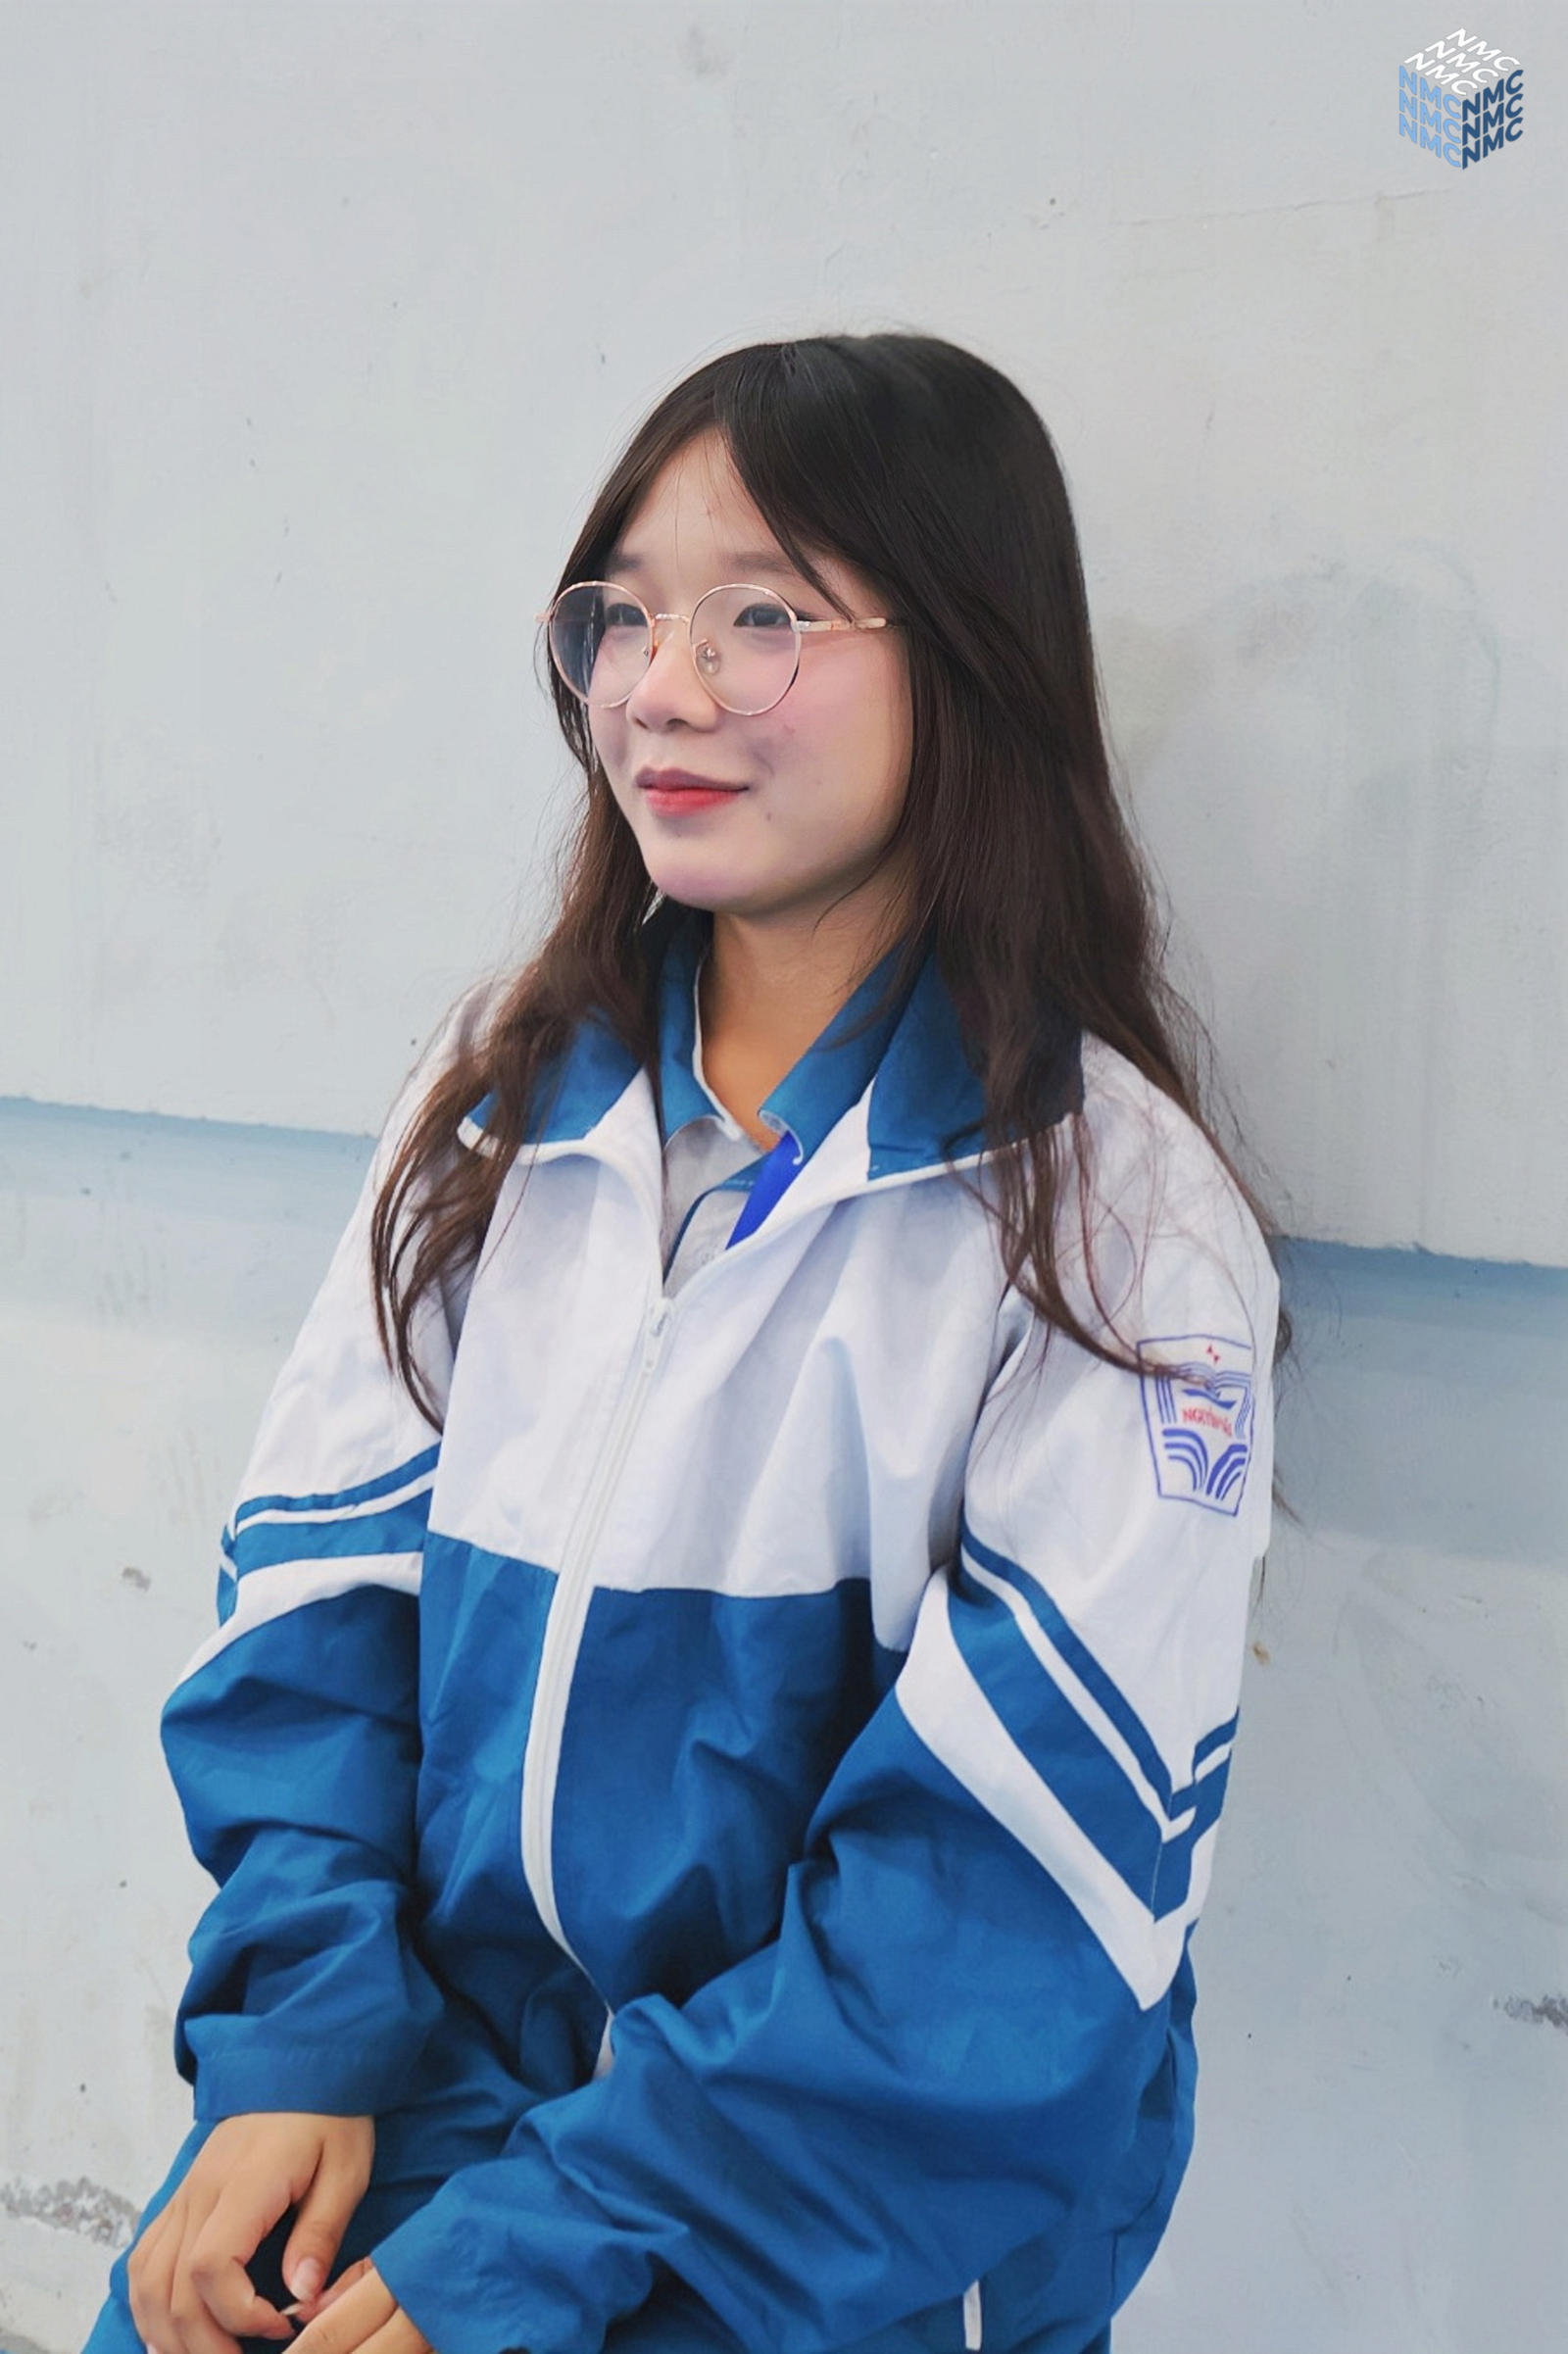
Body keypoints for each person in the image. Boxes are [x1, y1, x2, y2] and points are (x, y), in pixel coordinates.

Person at [89, 332, 1279, 2354]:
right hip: (443, 2090)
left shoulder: (1111, 1230)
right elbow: (317, 1611)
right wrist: (297, 2041)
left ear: (969, 659)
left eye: (762, 617)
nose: (662, 688)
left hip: (817, 2204)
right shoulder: (497, 1105)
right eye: (622, 616)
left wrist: (547, 2240)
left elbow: (997, 1924)